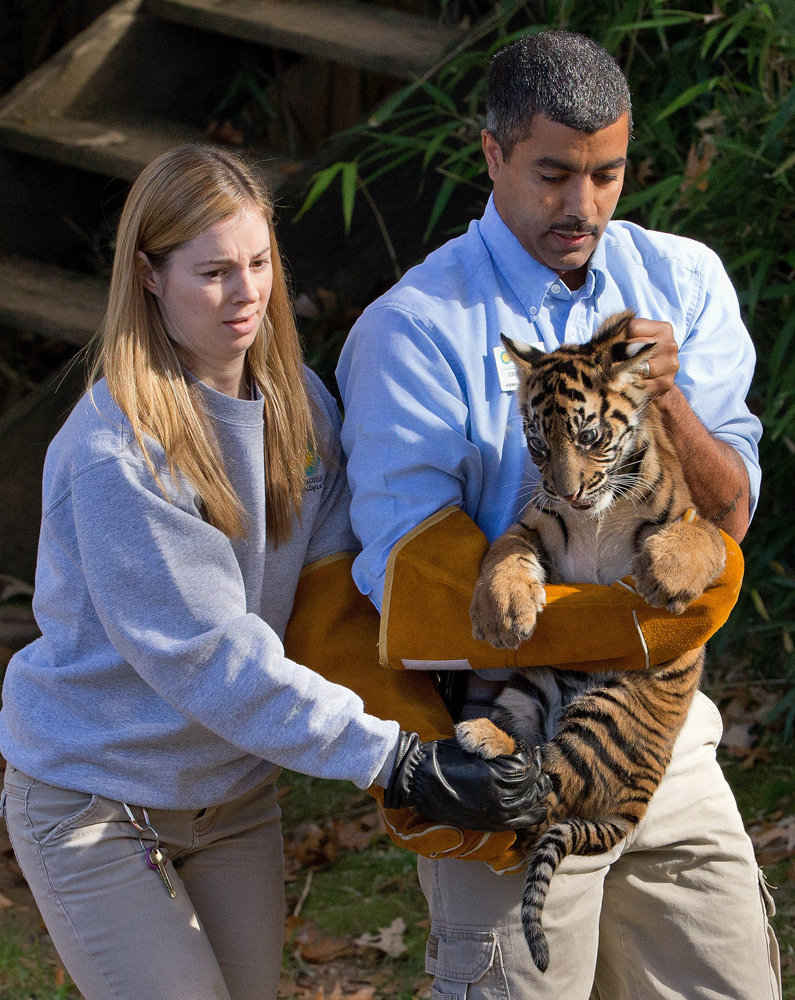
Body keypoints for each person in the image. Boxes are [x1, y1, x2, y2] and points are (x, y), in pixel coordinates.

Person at [0, 144, 546, 1000]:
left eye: (258, 263)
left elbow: (332, 611)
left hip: (233, 798)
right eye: (213, 272)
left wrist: (441, 731)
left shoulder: (299, 402)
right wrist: (395, 761)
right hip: (98, 799)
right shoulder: (118, 453)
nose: (247, 292)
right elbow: (209, 660)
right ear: (149, 277)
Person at [337, 31, 781, 1000]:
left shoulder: (684, 281)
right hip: (511, 746)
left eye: (607, 174)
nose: (582, 206)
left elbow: (729, 514)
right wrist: (625, 621)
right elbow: (409, 573)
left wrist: (666, 401)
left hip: (664, 732)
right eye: (552, 173)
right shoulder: (414, 330)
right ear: (491, 152)